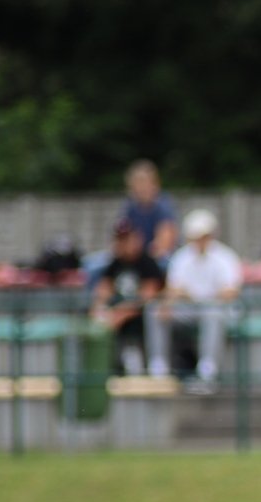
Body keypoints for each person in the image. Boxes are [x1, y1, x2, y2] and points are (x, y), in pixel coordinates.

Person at [149, 210, 242, 389]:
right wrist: (168, 303)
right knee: (154, 310)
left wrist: (200, 298)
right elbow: (174, 289)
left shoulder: (225, 257)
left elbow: (231, 292)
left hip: (217, 311)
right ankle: (158, 369)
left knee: (212, 313)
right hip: (189, 310)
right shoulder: (182, 257)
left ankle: (207, 371)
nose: (200, 241)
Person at [90, 220, 163, 375]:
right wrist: (100, 309)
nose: (123, 244)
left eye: (127, 239)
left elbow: (149, 295)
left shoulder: (147, 263)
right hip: (116, 314)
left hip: (140, 316)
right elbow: (103, 290)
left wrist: (123, 312)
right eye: (120, 240)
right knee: (98, 320)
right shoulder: (115, 264)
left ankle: (143, 367)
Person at [117, 160, 180, 266]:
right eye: (137, 183)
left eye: (144, 182)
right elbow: (121, 236)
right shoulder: (129, 206)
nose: (141, 188)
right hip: (136, 255)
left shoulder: (163, 205)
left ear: (155, 184)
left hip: (158, 256)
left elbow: (165, 242)